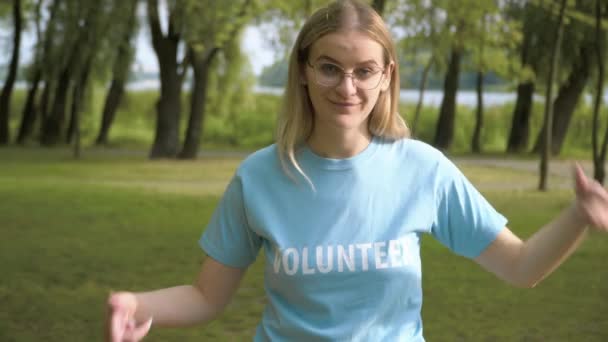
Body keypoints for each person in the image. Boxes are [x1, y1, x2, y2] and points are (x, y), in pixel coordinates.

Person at [106, 1, 608, 341]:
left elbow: (520, 267)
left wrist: (579, 214)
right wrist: (136, 303)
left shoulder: (423, 169)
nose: (347, 87)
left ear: (386, 75)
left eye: (364, 70)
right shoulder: (258, 178)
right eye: (329, 67)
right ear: (303, 71)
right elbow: (205, 297)